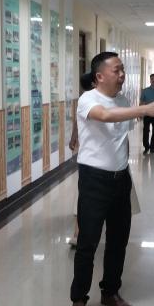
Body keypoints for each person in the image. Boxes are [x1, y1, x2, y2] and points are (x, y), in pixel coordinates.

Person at [70, 52, 154, 306]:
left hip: (120, 179)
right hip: (93, 180)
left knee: (118, 241)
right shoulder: (88, 99)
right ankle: (79, 299)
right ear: (100, 76)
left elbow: (120, 130)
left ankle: (110, 292)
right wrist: (143, 110)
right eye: (117, 70)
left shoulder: (123, 100)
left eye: (123, 69)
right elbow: (105, 116)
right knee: (87, 242)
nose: (122, 74)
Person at [68, 71, 95, 248]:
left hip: (109, 160)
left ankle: (80, 232)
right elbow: (78, 121)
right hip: (90, 157)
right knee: (84, 196)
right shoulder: (87, 100)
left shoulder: (110, 98)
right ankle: (78, 232)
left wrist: (73, 137)